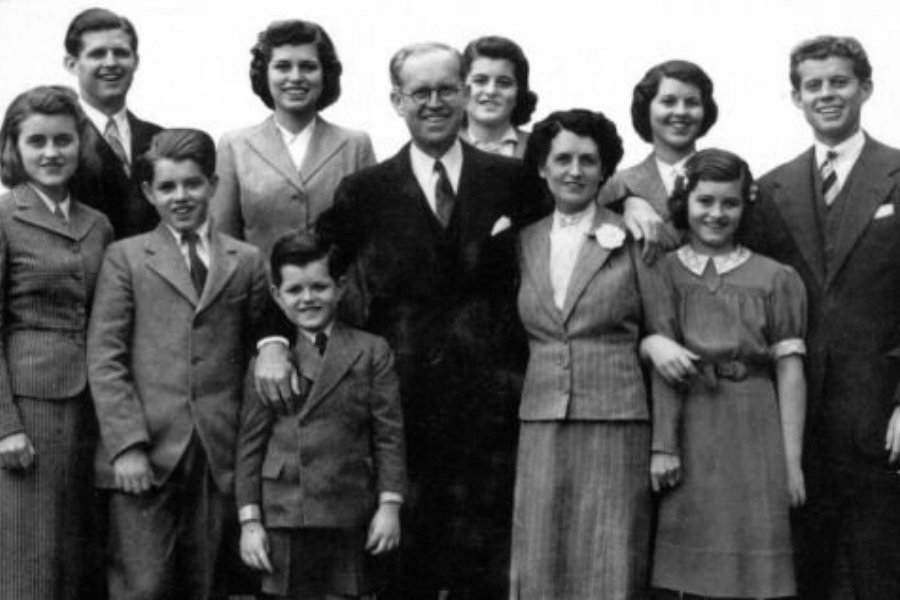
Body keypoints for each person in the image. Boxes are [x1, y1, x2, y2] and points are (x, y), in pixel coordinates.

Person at [312, 41, 535, 599]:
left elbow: (574, 226)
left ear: (464, 94)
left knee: (486, 566)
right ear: (397, 101)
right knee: (405, 565)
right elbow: (308, 266)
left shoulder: (513, 179)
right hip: (402, 407)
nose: (434, 102)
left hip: (495, 405)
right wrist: (271, 338)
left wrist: (632, 203)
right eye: (420, 92)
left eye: (446, 90)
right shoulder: (366, 191)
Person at [748, 35, 900, 599]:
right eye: (814, 85)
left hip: (880, 417)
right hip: (796, 421)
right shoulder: (770, 188)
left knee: (881, 573)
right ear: (796, 97)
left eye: (839, 82)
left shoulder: (898, 174)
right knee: (804, 573)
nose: (827, 94)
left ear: (866, 88)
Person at [87, 129, 268, 599]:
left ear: (213, 183)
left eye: (192, 184)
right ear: (149, 192)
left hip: (216, 451)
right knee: (142, 585)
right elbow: (105, 357)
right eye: (167, 187)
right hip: (146, 450)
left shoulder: (246, 260)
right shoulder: (125, 257)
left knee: (206, 582)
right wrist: (126, 444)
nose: (181, 196)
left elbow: (256, 344)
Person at [511, 108, 678, 599]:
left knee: (610, 561)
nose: (575, 171)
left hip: (617, 420)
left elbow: (663, 334)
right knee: (539, 557)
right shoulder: (524, 240)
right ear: (542, 167)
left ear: (605, 170)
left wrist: (664, 441)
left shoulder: (635, 237)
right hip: (541, 419)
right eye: (562, 158)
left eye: (588, 160)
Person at [646, 149, 807, 599]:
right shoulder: (662, 270)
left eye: (729, 203)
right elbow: (649, 339)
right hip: (690, 421)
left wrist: (791, 462)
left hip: (754, 426)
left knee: (751, 565)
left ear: (745, 205)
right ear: (686, 203)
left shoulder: (775, 277)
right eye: (705, 202)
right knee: (687, 563)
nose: (716, 214)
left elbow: (790, 370)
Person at [236, 231, 407, 599]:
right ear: (278, 296)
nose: (308, 298)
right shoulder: (268, 362)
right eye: (295, 290)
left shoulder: (371, 350)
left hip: (346, 507)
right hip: (283, 510)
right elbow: (248, 447)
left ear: (341, 287)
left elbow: (389, 437)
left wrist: (389, 506)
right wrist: (250, 522)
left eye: (319, 286)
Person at [0, 85, 113, 599]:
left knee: (78, 553)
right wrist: (6, 426)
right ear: (13, 149)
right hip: (29, 409)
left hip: (91, 407)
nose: (51, 153)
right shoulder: (4, 217)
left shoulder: (98, 225)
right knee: (29, 554)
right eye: (37, 141)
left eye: (63, 140)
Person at [212, 19, 376, 260]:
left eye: (308, 67)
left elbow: (372, 237)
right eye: (283, 66)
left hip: (337, 293)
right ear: (265, 73)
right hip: (260, 294)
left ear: (325, 74)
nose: (296, 77)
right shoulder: (234, 145)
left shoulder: (355, 145)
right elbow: (224, 242)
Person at [599, 60, 718, 262]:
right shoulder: (617, 185)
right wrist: (625, 203)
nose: (681, 112)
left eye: (692, 102)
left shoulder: (727, 178)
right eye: (668, 101)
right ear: (647, 109)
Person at [64, 7, 162, 239]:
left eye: (121, 53)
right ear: (71, 64)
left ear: (135, 61)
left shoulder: (159, 139)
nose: (111, 62)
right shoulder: (57, 142)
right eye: (97, 54)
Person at [459, 35, 537, 158]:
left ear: (519, 91)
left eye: (504, 83)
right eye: (480, 81)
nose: (491, 91)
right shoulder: (441, 147)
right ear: (461, 88)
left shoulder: (541, 149)